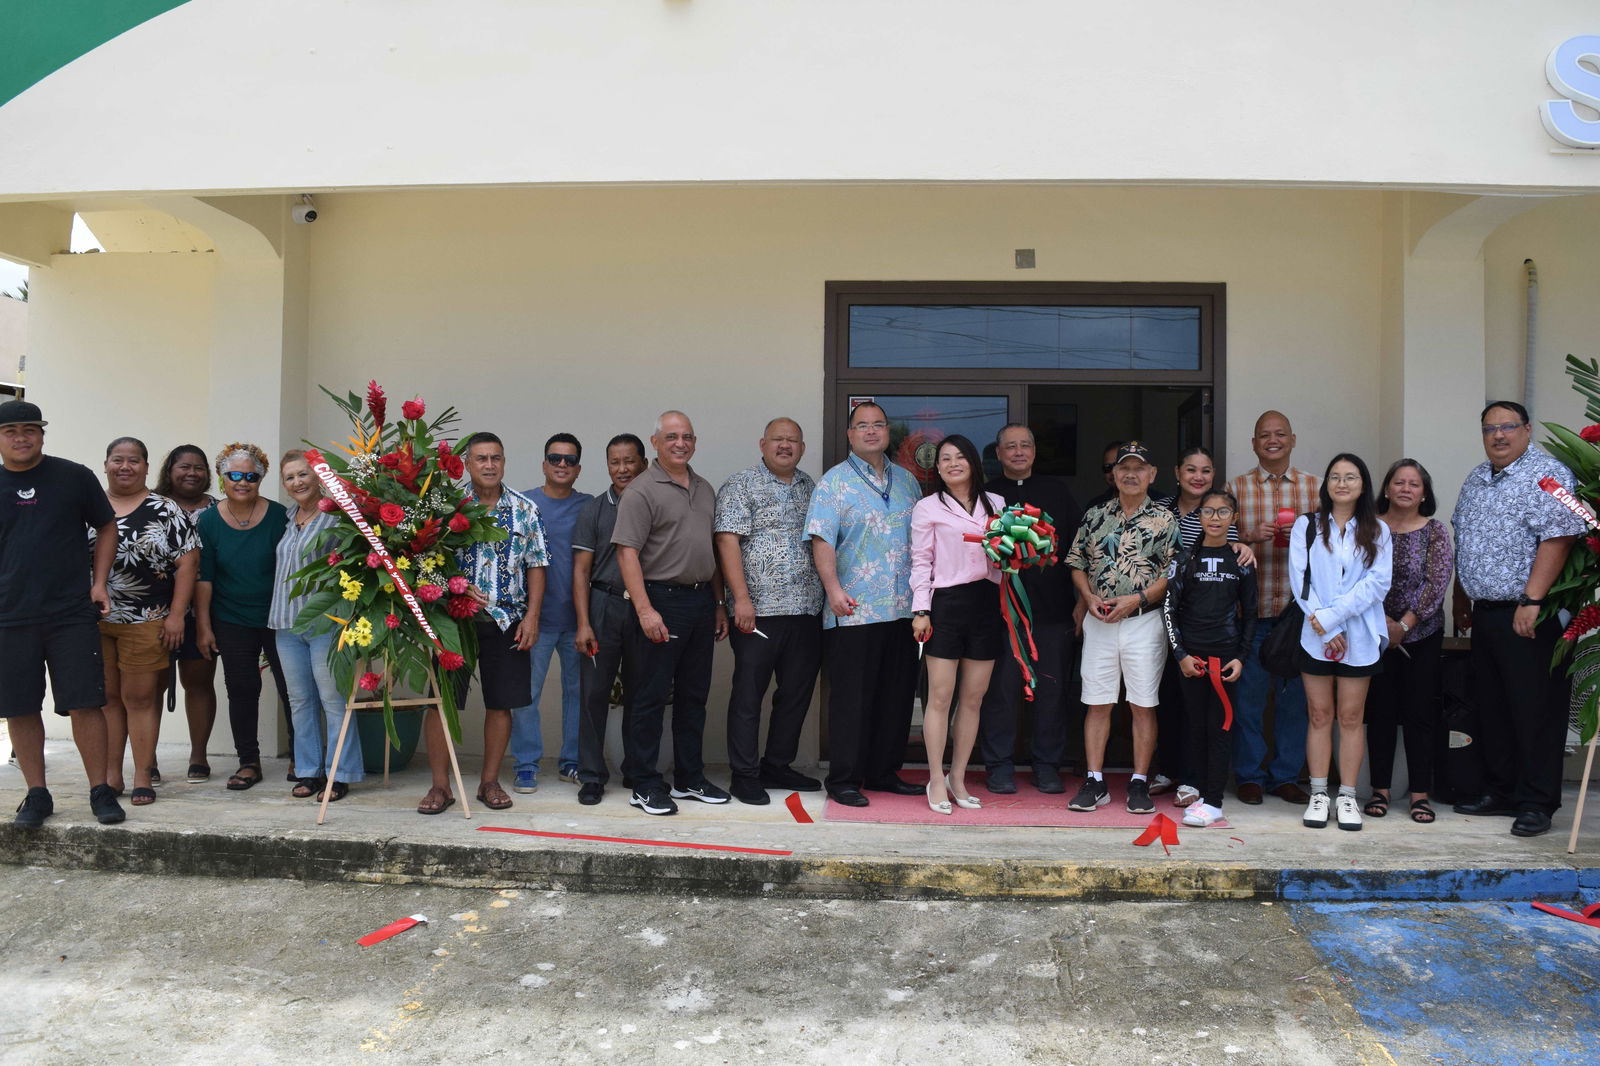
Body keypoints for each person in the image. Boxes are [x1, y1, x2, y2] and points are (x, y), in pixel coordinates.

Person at [1451, 401, 1585, 838]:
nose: (1498, 435)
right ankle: (1502, 789)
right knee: (1494, 707)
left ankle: (1536, 801)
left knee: (1535, 710)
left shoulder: (1547, 475)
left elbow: (1559, 536)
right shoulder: (1476, 478)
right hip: (1487, 613)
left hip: (1530, 612)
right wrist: (1462, 598)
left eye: (1508, 427)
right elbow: (1465, 539)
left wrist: (1533, 599)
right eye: (1490, 428)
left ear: (1527, 430)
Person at [2, 400, 124, 828]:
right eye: (12, 430)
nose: (22, 437)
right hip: (9, 616)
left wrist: (99, 581)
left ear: (41, 434)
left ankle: (100, 791)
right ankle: (37, 795)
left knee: (86, 703)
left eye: (30, 429)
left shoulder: (73, 476)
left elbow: (106, 524)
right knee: (20, 706)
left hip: (71, 611)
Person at [418, 431, 548, 815]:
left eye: (496, 458)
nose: (489, 465)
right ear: (468, 464)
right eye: (481, 459)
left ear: (504, 462)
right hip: (453, 622)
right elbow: (426, 562)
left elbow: (537, 565)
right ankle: (440, 787)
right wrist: (452, 588)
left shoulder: (525, 509)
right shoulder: (449, 508)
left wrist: (533, 617)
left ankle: (489, 782)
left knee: (502, 704)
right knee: (440, 703)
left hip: (508, 620)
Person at [804, 402, 924, 807]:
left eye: (878, 425)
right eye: (862, 426)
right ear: (850, 434)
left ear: (888, 432)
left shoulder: (908, 481)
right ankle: (844, 779)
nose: (871, 431)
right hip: (853, 608)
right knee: (853, 698)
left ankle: (883, 771)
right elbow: (821, 539)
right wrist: (833, 589)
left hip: (903, 609)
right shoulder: (833, 483)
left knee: (896, 695)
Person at [613, 411, 731, 815]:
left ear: (694, 442)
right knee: (648, 697)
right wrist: (645, 609)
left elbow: (711, 552)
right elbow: (626, 552)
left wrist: (717, 604)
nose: (680, 443)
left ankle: (689, 778)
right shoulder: (642, 490)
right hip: (659, 601)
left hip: (700, 602)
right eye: (671, 436)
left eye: (687, 436)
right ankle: (645, 783)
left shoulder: (704, 488)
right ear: (656, 442)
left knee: (694, 697)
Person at [714, 417, 825, 806]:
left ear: (802, 447)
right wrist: (739, 599)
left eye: (792, 440)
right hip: (758, 612)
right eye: (777, 439)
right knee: (749, 695)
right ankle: (744, 775)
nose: (785, 445)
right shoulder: (740, 484)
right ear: (762, 444)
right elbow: (727, 542)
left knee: (795, 694)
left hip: (807, 609)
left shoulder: (811, 486)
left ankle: (777, 764)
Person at [1065, 440, 1180, 815]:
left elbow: (1172, 574)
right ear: (1113, 475)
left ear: (1152, 475)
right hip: (1099, 621)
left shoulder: (1165, 519)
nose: (1131, 474)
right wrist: (1086, 596)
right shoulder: (1096, 515)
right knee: (1097, 702)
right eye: (1123, 468)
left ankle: (1139, 781)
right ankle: (1095, 780)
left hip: (1142, 621)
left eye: (1138, 468)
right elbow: (1077, 561)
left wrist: (1138, 599)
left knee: (1142, 704)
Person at [92, 437, 198, 807]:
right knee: (106, 698)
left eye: (134, 460)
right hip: (94, 619)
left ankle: (142, 775)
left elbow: (188, 563)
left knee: (138, 697)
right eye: (117, 460)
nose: (125, 467)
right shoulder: (88, 505)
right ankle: (110, 775)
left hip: (148, 618)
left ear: (146, 466)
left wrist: (175, 616)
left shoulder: (165, 509)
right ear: (105, 464)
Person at [1291, 454, 1393, 832]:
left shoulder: (1378, 530)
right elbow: (1301, 582)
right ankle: (1319, 794)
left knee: (1351, 718)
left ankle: (1347, 796)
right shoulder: (1306, 526)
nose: (1342, 483)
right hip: (1315, 636)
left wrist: (1334, 620)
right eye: (1335, 476)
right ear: (1326, 484)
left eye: (1350, 477)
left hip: (1360, 635)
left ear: (1363, 485)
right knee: (1319, 715)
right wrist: (1324, 626)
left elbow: (1377, 583)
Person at [979, 422, 1082, 795]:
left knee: (1051, 692)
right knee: (1001, 692)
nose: (1018, 452)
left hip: (1053, 612)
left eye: (1025, 445)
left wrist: (1082, 602)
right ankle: (999, 765)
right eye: (1011, 446)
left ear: (1034, 452)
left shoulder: (1057, 491)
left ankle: (1046, 764)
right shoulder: (985, 495)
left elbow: (1077, 551)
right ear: (999, 453)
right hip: (1000, 613)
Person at [911, 435, 1006, 814]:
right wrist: (921, 610)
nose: (952, 464)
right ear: (937, 468)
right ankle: (935, 778)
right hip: (946, 605)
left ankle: (959, 776)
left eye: (960, 457)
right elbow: (921, 561)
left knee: (973, 699)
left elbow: (1005, 558)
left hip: (986, 603)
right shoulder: (927, 507)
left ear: (973, 462)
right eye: (945, 459)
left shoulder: (997, 504)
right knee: (939, 697)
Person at [1229, 411, 1319, 806]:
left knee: (1295, 702)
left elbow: (1337, 544)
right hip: (1252, 614)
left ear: (1293, 439)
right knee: (1247, 701)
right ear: (1253, 443)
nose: (1272, 440)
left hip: (1301, 615)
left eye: (1280, 434)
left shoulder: (1317, 489)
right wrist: (1247, 536)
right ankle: (1249, 775)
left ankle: (1285, 776)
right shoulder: (1236, 488)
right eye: (1264, 435)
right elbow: (1216, 539)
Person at [1153, 445, 1251, 807]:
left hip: (1209, 628)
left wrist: (1246, 549)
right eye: (1191, 470)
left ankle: (1195, 780)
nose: (1198, 476)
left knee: (1204, 711)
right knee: (1166, 699)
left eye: (1206, 470)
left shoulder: (1219, 515)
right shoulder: (1159, 509)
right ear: (1177, 473)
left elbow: (1234, 552)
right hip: (1160, 614)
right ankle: (1167, 769)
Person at [194, 442, 291, 792]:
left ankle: (303, 757)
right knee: (242, 688)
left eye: (251, 476)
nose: (243, 482)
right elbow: (204, 578)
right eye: (235, 475)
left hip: (279, 617)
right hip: (231, 617)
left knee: (292, 688)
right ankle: (248, 762)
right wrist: (204, 627)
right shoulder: (207, 520)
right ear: (222, 477)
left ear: (261, 478)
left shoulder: (281, 515)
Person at [1363, 459, 1453, 826]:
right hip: (1373, 635)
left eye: (1413, 484)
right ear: (1385, 489)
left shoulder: (1435, 531)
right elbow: (1356, 575)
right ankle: (1380, 790)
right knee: (1380, 712)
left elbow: (1437, 583)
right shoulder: (1368, 528)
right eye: (1398, 482)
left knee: (1419, 714)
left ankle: (1419, 794)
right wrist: (1381, 624)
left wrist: (1404, 624)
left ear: (1424, 493)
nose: (1405, 488)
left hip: (1422, 635)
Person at [271, 449, 363, 801]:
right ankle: (309, 771)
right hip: (284, 622)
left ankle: (340, 773)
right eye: (290, 477)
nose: (297, 482)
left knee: (333, 699)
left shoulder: (337, 517)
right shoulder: (287, 518)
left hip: (326, 621)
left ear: (319, 477)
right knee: (299, 701)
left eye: (303, 474)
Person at [509, 433, 593, 794]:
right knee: (525, 695)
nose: (562, 464)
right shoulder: (523, 503)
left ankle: (571, 761)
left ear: (578, 468)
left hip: (578, 620)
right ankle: (526, 765)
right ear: (544, 464)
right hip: (534, 620)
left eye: (569, 460)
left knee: (578, 694)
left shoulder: (590, 506)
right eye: (555, 458)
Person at [573, 433, 648, 805]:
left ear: (643, 464)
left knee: (642, 692)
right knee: (594, 694)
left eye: (629, 461)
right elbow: (580, 571)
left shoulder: (654, 502)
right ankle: (590, 775)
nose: (622, 469)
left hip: (648, 608)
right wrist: (584, 622)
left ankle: (636, 770)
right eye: (615, 462)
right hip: (604, 606)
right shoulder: (594, 510)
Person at [154, 444, 219, 783]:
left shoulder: (220, 510)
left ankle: (198, 757)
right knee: (151, 686)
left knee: (199, 682)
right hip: (154, 612)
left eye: (199, 467)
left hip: (203, 614)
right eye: (184, 466)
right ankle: (146, 759)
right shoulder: (152, 507)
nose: (192, 472)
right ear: (170, 470)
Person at [1083, 440, 1124, 511]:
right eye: (1107, 467)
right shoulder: (1094, 506)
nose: (1113, 472)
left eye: (1118, 466)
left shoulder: (1149, 500)